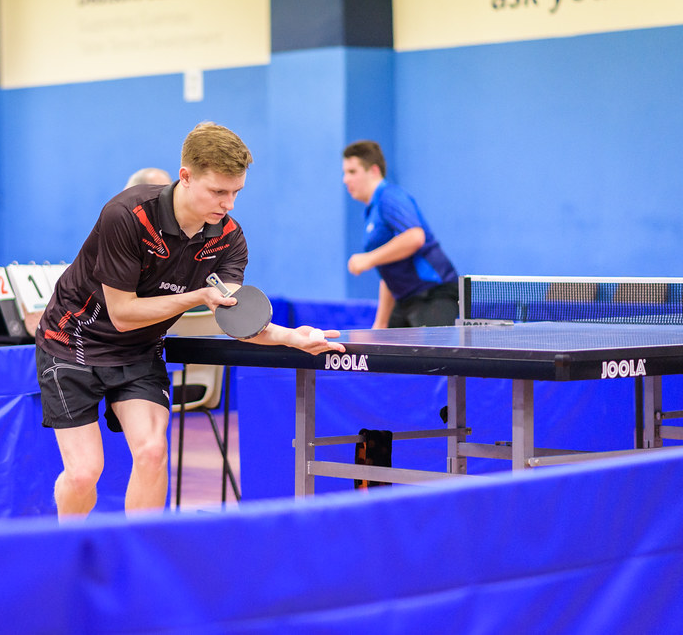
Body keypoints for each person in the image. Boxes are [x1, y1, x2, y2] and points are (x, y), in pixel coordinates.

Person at [36, 122, 344, 520]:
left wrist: (291, 337)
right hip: (72, 341)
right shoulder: (127, 216)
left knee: (152, 452)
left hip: (138, 351)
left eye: (236, 192)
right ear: (185, 176)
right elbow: (123, 314)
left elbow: (235, 316)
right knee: (83, 474)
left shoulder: (228, 238)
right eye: (218, 191)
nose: (229, 204)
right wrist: (198, 295)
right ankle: (67, 545)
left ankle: (140, 551)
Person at [342, 140, 458, 329]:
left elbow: (415, 237)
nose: (345, 179)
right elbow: (389, 271)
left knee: (429, 349)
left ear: (374, 171)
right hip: (405, 299)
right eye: (345, 173)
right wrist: (380, 322)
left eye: (352, 172)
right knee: (386, 345)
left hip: (433, 293)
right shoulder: (372, 211)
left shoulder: (390, 196)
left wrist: (368, 259)